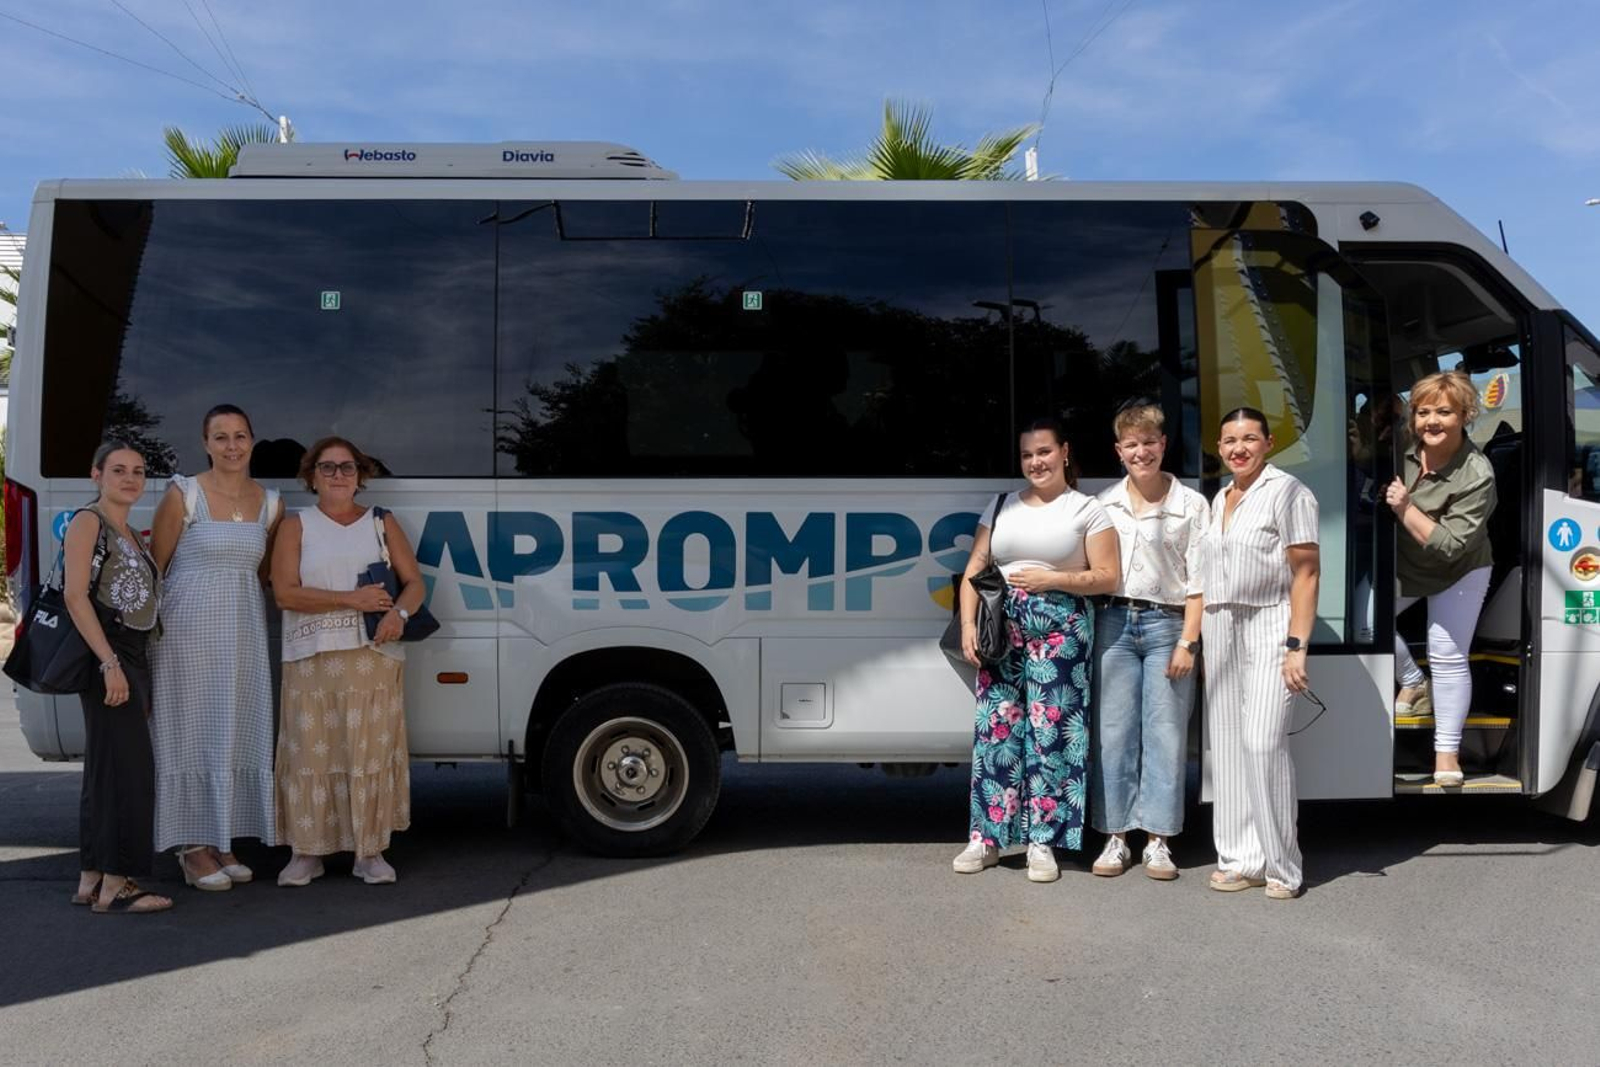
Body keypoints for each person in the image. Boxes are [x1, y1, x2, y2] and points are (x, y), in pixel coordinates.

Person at [953, 417, 1120, 883]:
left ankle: (1042, 842)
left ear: (1064, 452)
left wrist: (1054, 579)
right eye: (1027, 455)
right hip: (1000, 627)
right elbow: (975, 569)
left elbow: (1107, 576)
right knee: (997, 731)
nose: (1035, 462)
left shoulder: (1087, 510)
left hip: (1062, 627)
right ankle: (986, 838)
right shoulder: (1002, 504)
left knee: (1053, 733)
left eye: (1044, 452)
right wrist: (968, 624)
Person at [271, 437, 423, 887]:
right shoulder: (296, 526)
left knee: (368, 753)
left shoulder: (381, 522)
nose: (338, 475)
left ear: (360, 475)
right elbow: (284, 593)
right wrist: (350, 600)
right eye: (328, 467)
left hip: (372, 656)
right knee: (308, 756)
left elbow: (414, 582)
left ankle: (369, 851)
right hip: (310, 657)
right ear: (311, 476)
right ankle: (306, 852)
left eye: (347, 467)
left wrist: (399, 613)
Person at [149, 404, 284, 891]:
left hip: (243, 631)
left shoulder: (271, 503)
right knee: (193, 727)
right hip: (186, 631)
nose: (232, 446)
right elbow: (155, 569)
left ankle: (221, 835)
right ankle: (191, 845)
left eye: (240, 436)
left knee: (236, 725)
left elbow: (262, 576)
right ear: (206, 443)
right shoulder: (183, 495)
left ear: (252, 441)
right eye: (221, 437)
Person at [1198, 407, 1320, 900]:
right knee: (1226, 748)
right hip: (1220, 622)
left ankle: (1282, 866)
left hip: (1270, 621)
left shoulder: (1289, 492)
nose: (1238, 448)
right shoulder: (1219, 498)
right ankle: (1239, 858)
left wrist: (1297, 646)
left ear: (1269, 442)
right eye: (1229, 440)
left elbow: (1307, 573)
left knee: (1263, 744)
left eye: (1249, 438)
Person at [1088, 403, 1209, 880]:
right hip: (1113, 624)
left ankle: (1158, 840)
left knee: (1165, 734)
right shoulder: (1102, 504)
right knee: (1113, 734)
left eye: (1150, 442)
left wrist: (1188, 642)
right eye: (1131, 444)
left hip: (1167, 627)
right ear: (1119, 451)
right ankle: (1115, 836)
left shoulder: (1192, 505)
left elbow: (1200, 582)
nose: (1142, 452)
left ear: (1164, 445)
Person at [65, 442, 172, 913]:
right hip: (109, 653)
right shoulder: (90, 522)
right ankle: (119, 885)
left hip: (128, 651)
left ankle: (91, 879)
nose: (130, 478)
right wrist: (110, 664)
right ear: (97, 475)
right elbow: (74, 595)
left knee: (106, 771)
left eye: (138, 471)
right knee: (129, 772)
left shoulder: (127, 530)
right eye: (118, 470)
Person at [1385, 371, 1497, 787]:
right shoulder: (1402, 450)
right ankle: (1413, 682)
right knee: (1367, 624)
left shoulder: (1478, 473)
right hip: (1404, 564)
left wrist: (1405, 508)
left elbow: (1450, 545)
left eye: (1444, 412)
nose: (1431, 421)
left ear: (1465, 415)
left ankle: (1447, 755)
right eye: (1423, 412)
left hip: (1460, 569)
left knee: (1447, 655)